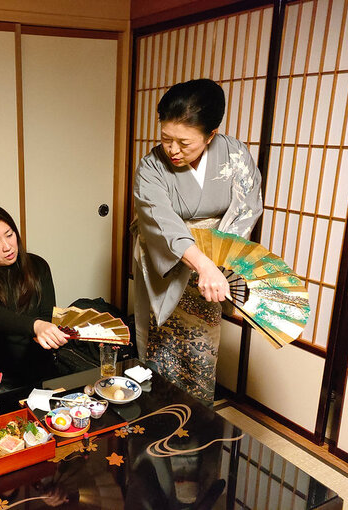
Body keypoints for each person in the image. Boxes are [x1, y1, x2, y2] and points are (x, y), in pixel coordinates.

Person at [132, 78, 262, 405]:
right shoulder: (151, 167)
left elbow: (247, 207)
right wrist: (202, 263)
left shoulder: (235, 155)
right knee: (160, 342)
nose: (172, 150)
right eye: (166, 139)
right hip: (166, 260)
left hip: (214, 262)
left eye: (184, 142)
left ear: (211, 135)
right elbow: (159, 219)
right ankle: (153, 413)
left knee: (200, 348)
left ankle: (197, 420)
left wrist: (218, 260)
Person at [0, 204, 68, 388]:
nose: (7, 247)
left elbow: (48, 313)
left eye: (9, 235)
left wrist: (48, 332)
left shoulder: (38, 266)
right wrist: (35, 326)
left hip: (40, 370)